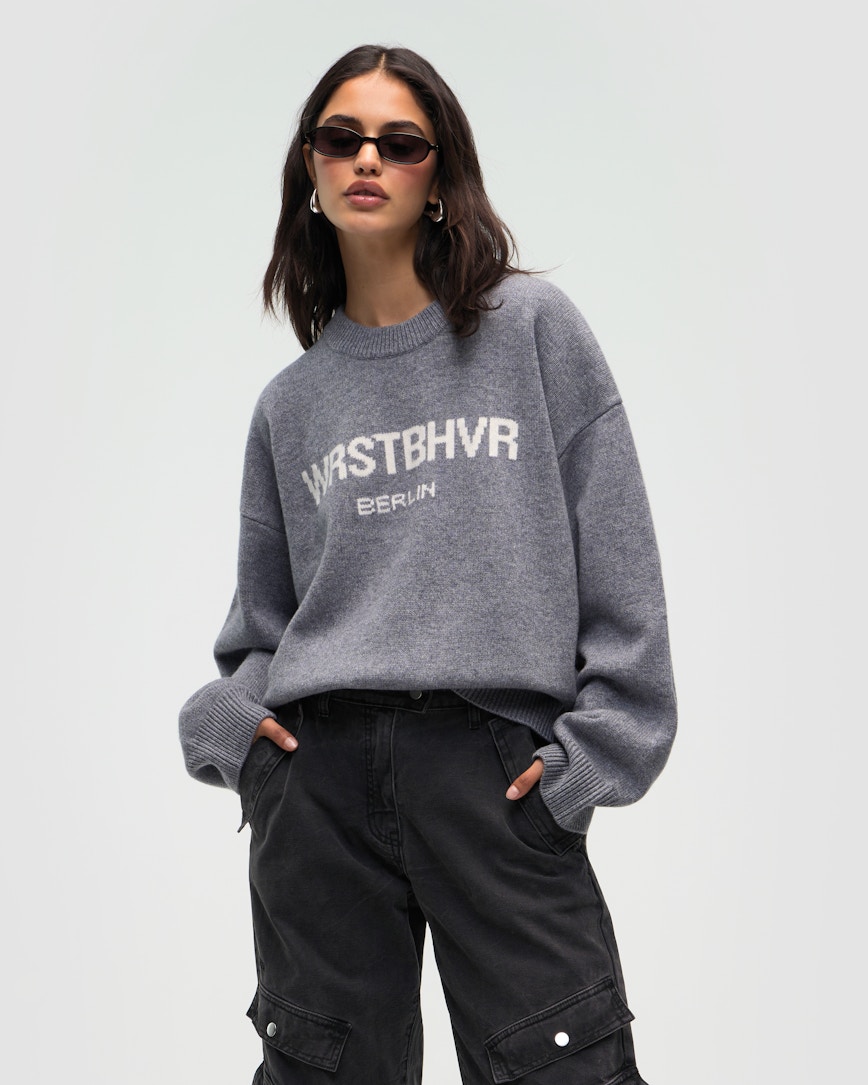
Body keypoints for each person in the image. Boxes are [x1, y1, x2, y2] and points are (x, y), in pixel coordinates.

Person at [179, 43, 676, 1085]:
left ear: (439, 174)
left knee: (565, 1064)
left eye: (400, 142)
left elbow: (617, 550)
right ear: (310, 170)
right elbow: (263, 625)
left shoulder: (530, 329)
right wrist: (236, 732)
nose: (368, 158)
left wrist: (599, 751)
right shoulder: (291, 405)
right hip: (317, 781)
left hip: (494, 771)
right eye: (341, 138)